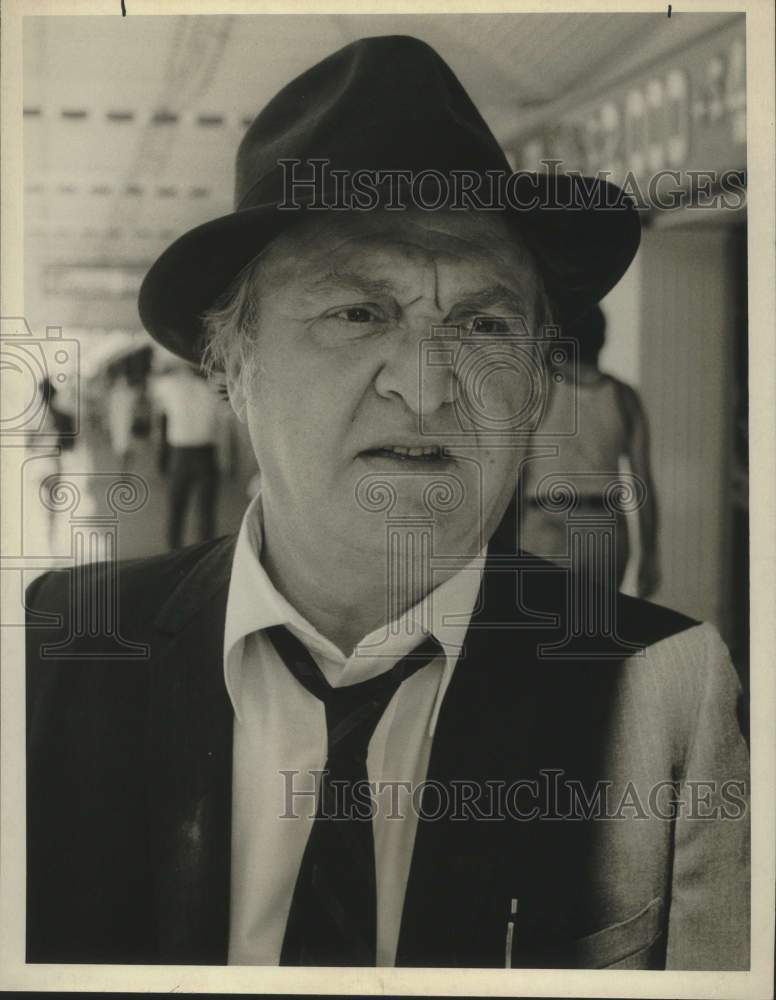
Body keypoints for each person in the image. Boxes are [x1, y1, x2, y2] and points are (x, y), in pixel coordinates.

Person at [25, 36, 748, 970]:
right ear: (230, 365)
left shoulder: (661, 688)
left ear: (535, 380)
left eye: (483, 323)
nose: (427, 382)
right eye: (358, 312)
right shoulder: (52, 652)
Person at [520, 305, 660, 596]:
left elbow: (509, 468)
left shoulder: (538, 387)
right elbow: (643, 484)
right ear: (602, 339)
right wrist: (650, 553)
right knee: (596, 623)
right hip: (604, 527)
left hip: (546, 522)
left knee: (544, 621)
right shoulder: (624, 396)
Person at [152, 363, 236, 549]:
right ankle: (204, 553)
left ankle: (173, 552)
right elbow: (223, 427)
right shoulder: (214, 388)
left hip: (181, 454)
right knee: (205, 510)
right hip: (204, 453)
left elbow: (155, 380)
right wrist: (226, 459)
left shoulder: (171, 385)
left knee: (177, 506)